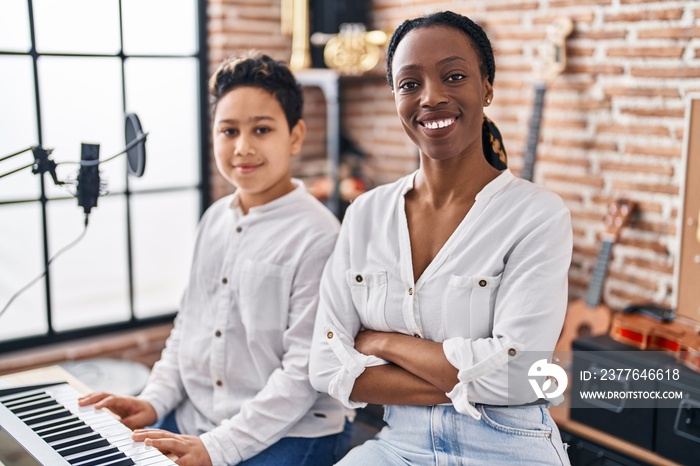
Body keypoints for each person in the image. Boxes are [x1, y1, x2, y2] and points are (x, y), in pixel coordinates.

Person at [309, 10, 572, 466]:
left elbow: (522, 377)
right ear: (394, 95)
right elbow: (326, 367)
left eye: (453, 76)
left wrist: (383, 343)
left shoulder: (537, 214)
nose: (431, 97)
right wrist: (474, 377)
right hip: (398, 445)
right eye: (410, 84)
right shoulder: (366, 214)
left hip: (509, 445)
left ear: (486, 87)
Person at [79, 52, 353, 466]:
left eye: (262, 129)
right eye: (229, 131)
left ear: (295, 137)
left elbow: (303, 374)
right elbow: (188, 329)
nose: (243, 147)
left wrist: (219, 447)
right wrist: (152, 401)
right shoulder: (213, 220)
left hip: (294, 429)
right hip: (201, 418)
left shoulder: (319, 237)